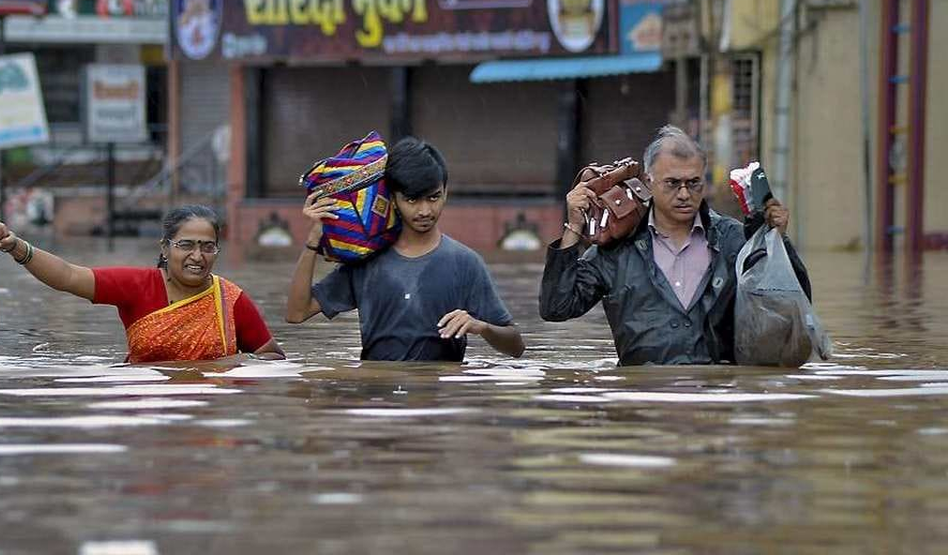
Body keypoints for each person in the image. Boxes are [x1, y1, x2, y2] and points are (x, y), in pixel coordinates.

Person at [538, 125, 812, 365]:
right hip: (641, 404)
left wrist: (777, 241)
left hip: (717, 398)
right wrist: (573, 227)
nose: (684, 194)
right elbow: (557, 308)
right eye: (672, 183)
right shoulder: (617, 249)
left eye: (693, 183)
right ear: (648, 182)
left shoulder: (734, 240)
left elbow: (794, 306)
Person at [285, 137, 524, 361]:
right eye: (412, 200)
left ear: (445, 192)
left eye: (433, 198)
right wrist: (313, 239)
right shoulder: (367, 259)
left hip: (442, 397)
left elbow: (516, 347)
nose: (424, 211)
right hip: (377, 394)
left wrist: (481, 327)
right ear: (393, 199)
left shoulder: (465, 263)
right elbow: (297, 313)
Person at [0, 205, 285, 362]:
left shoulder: (229, 300)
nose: (198, 256)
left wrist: (230, 370)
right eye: (186, 245)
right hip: (148, 410)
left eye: (207, 246)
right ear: (165, 248)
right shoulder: (138, 286)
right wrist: (15, 246)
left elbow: (272, 359)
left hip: (212, 418)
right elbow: (68, 276)